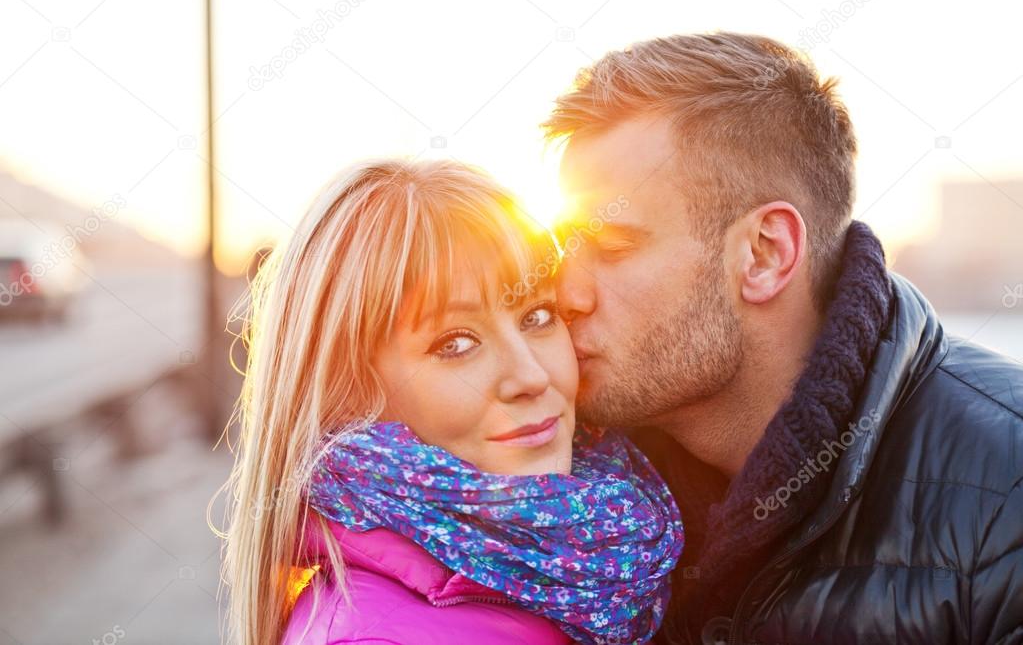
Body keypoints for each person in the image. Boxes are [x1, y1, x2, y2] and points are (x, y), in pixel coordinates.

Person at [543, 32, 1023, 644]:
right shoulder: (557, 482)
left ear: (765, 254)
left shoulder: (1008, 500)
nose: (565, 291)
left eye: (612, 245)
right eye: (561, 247)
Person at [219, 159, 684, 645]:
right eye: (455, 344)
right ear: (348, 395)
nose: (530, 375)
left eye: (538, 315)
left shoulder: (606, 544)